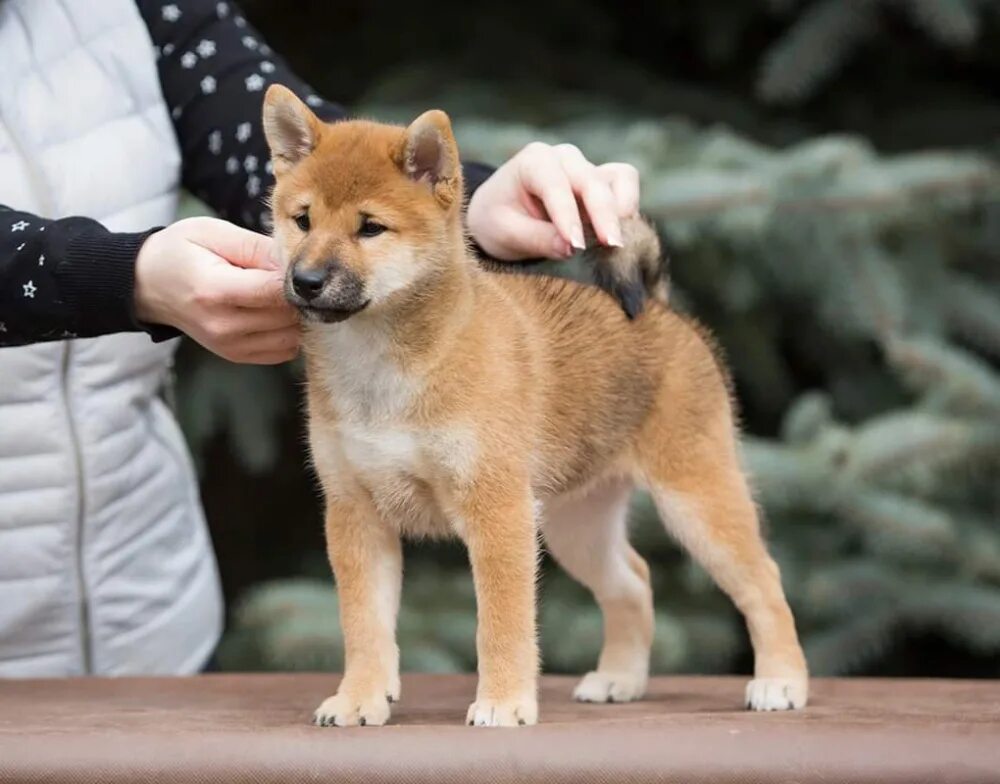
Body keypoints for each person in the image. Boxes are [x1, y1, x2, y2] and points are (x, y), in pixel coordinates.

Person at [0, 0, 640, 677]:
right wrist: (120, 277)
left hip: (144, 605)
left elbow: (308, 153)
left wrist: (470, 203)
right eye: (300, 228)